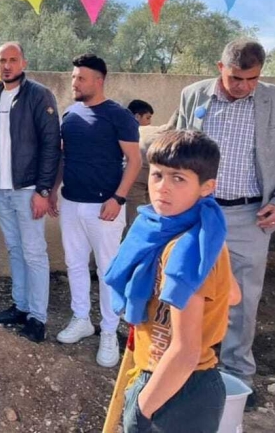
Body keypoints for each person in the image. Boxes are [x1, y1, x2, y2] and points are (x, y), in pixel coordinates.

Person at [106, 130, 237, 433]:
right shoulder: (199, 234)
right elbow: (232, 295)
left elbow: (185, 352)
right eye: (157, 175)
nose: (163, 187)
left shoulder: (187, 249)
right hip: (161, 374)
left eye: (178, 178)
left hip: (178, 388)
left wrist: (141, 409)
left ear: (207, 187)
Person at [177, 38, 275, 409]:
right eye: (236, 78)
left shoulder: (271, 101)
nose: (244, 86)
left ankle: (237, 375)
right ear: (221, 68)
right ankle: (185, 366)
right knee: (188, 290)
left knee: (243, 301)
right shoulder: (193, 96)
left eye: (252, 79)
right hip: (198, 212)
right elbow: (177, 146)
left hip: (251, 216)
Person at [48, 54, 141, 367]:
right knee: (74, 264)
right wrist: (54, 189)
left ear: (99, 81)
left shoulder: (119, 116)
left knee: (106, 271)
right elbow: (64, 159)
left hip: (105, 207)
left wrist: (118, 198)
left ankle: (109, 331)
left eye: (81, 78)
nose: (74, 83)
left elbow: (135, 161)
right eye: (73, 77)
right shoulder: (70, 114)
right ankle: (81, 319)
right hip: (71, 203)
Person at [0, 42, 60, 343]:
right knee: (15, 249)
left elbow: (51, 145)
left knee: (34, 252)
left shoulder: (39, 95)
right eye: (1, 60)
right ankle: (21, 306)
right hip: (1, 189)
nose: (7, 65)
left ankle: (38, 318)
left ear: (23, 63)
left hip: (28, 189)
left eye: (13, 60)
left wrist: (43, 190)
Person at [125, 110, 178, 230]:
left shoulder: (156, 133)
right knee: (135, 218)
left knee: (146, 215)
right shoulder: (158, 136)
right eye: (148, 117)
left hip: (147, 176)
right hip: (137, 176)